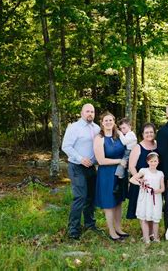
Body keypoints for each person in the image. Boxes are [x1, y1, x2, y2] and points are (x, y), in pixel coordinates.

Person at [62, 103, 101, 240]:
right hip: (77, 166)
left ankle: (90, 224)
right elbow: (66, 146)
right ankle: (73, 229)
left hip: (91, 167)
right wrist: (80, 158)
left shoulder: (97, 128)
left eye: (92, 111)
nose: (90, 113)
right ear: (81, 113)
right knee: (80, 197)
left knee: (91, 196)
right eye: (87, 111)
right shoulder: (74, 128)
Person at [93, 111, 129, 241]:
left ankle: (119, 228)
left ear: (114, 122)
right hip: (107, 174)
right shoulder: (99, 138)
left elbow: (129, 145)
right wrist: (119, 161)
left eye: (111, 120)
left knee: (118, 201)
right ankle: (111, 231)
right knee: (109, 203)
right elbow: (101, 160)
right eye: (106, 120)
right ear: (102, 123)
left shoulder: (119, 135)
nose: (108, 122)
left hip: (120, 172)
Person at [130, 152, 164, 243]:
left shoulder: (160, 173)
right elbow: (132, 179)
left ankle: (156, 237)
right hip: (145, 197)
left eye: (155, 161)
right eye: (151, 161)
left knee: (155, 217)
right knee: (144, 217)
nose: (153, 163)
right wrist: (141, 183)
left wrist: (157, 191)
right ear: (147, 162)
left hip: (155, 198)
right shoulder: (143, 171)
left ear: (158, 162)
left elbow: (162, 188)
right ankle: (146, 238)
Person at [126, 123, 158, 219]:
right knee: (141, 207)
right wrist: (140, 180)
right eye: (146, 132)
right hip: (142, 182)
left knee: (153, 206)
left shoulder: (157, 144)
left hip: (155, 181)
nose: (149, 134)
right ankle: (145, 231)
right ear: (142, 134)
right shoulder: (138, 147)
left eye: (151, 132)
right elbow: (131, 166)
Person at [114, 118, 137, 198]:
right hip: (127, 151)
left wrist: (119, 133)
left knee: (121, 165)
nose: (122, 130)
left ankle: (119, 184)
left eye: (124, 128)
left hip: (129, 152)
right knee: (122, 167)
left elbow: (124, 142)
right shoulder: (127, 134)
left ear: (129, 126)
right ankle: (120, 183)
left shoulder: (131, 134)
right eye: (121, 129)